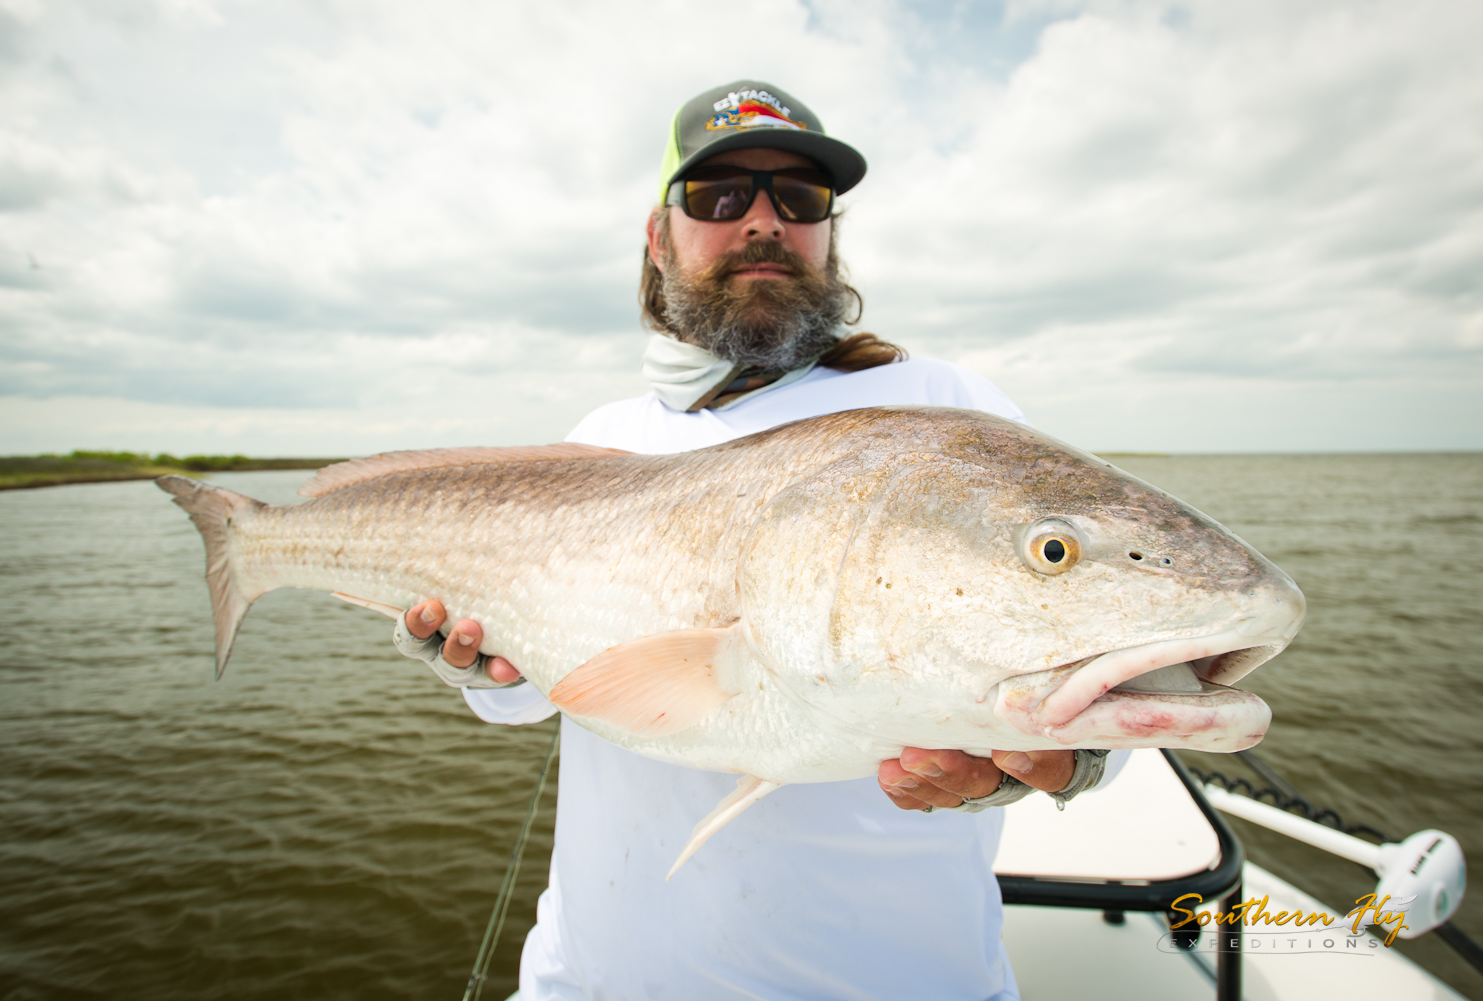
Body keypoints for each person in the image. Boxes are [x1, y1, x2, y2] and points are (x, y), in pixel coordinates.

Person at [394, 81, 1124, 1001]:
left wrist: (1054, 763)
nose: (763, 221)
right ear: (660, 237)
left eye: (799, 197)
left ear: (829, 230)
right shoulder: (603, 438)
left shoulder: (949, 412)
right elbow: (532, 700)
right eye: (720, 195)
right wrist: (474, 668)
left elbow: (1117, 654)